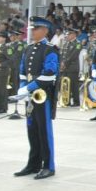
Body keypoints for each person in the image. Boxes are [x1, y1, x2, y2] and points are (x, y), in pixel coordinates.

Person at [12, 16, 59, 180]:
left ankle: (48, 166)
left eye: (35, 29)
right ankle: (33, 164)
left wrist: (29, 87)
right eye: (31, 29)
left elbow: (50, 74)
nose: (31, 31)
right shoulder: (29, 48)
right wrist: (22, 87)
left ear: (45, 30)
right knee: (32, 130)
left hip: (43, 96)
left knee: (44, 132)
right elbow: (22, 71)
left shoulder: (50, 49)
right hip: (31, 96)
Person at [58, 27, 81, 107]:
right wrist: (61, 63)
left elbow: (74, 55)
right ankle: (66, 101)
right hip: (65, 67)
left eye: (69, 34)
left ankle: (76, 101)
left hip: (72, 67)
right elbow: (62, 54)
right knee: (65, 85)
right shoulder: (66, 43)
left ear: (74, 35)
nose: (67, 36)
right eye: (67, 34)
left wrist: (65, 63)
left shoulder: (77, 43)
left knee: (74, 85)